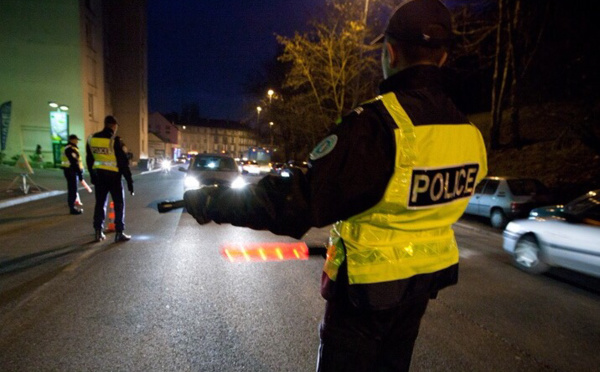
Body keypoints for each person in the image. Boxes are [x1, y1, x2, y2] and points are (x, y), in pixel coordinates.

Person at [183, 0, 488, 370]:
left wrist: (213, 202)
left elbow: (300, 201)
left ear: (390, 53)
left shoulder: (377, 127)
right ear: (442, 58)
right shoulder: (470, 136)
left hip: (363, 298)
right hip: (419, 291)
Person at [86, 115, 134, 243]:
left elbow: (89, 159)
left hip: (99, 176)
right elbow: (123, 163)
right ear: (113, 126)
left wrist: (92, 175)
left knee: (100, 204)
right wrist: (129, 182)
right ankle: (119, 232)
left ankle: (98, 232)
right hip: (114, 178)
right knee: (118, 204)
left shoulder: (92, 139)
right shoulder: (115, 140)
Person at [61, 135, 84, 215]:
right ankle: (72, 208)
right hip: (72, 171)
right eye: (76, 140)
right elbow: (74, 162)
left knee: (72, 189)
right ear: (72, 140)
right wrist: (80, 173)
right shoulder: (70, 149)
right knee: (73, 190)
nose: (77, 141)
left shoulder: (67, 148)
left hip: (69, 170)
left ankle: (72, 206)